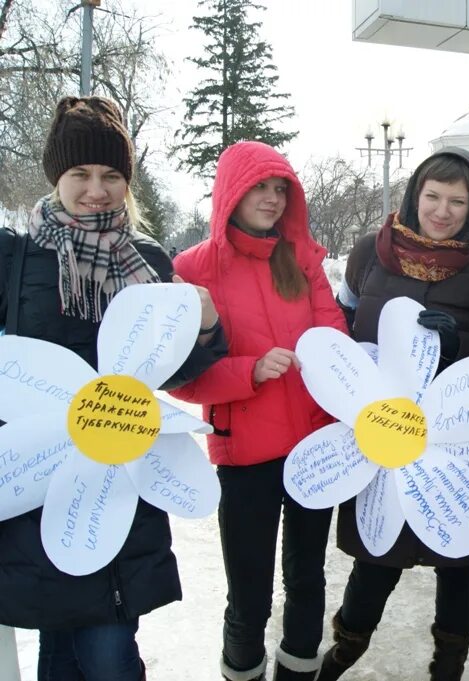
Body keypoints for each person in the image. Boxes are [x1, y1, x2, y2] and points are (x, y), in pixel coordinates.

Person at [0, 96, 225, 681]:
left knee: (106, 652)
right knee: (60, 649)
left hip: (124, 474)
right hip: (42, 480)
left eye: (111, 176)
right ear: (58, 177)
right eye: (81, 174)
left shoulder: (146, 260)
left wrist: (202, 330)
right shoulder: (16, 258)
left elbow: (173, 376)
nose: (96, 189)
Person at [169, 141, 349, 681]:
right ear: (231, 191)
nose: (271, 199)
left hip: (315, 448)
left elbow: (334, 342)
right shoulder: (193, 270)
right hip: (245, 457)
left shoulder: (304, 261)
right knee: (248, 592)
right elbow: (183, 378)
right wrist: (248, 371)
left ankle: (298, 673)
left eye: (280, 189)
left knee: (308, 581)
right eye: (260, 187)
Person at [321, 148, 469, 681]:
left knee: (456, 559)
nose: (442, 211)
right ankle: (341, 654)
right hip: (384, 433)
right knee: (377, 553)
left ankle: (449, 667)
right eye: (433, 196)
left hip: (455, 437)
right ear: (416, 194)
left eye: (457, 201)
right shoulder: (369, 254)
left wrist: (456, 343)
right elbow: (343, 325)